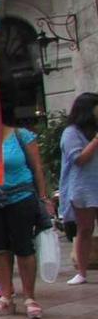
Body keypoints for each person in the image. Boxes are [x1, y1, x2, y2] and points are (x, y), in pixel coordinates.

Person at [0, 118, 53, 319]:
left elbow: (37, 168)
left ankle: (29, 297)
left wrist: (44, 197)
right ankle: (6, 297)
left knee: (24, 247)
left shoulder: (21, 135)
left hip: (21, 196)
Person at [59, 92, 98, 285]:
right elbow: (79, 159)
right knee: (85, 229)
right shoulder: (71, 133)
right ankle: (82, 271)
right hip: (83, 188)